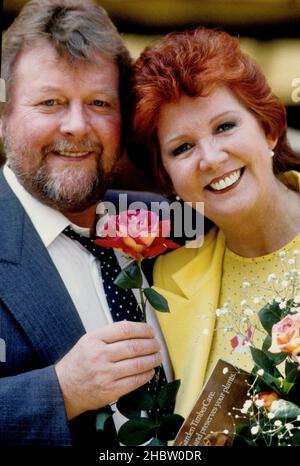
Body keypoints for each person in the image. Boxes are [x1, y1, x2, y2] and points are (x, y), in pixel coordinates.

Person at [0, 0, 172, 448]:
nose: (76, 125)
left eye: (99, 103)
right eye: (50, 102)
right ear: (3, 116)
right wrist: (61, 391)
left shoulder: (172, 222)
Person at [131, 27, 300, 421]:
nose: (210, 158)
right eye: (182, 148)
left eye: (225, 126)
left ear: (269, 129)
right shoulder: (165, 287)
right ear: (167, 178)